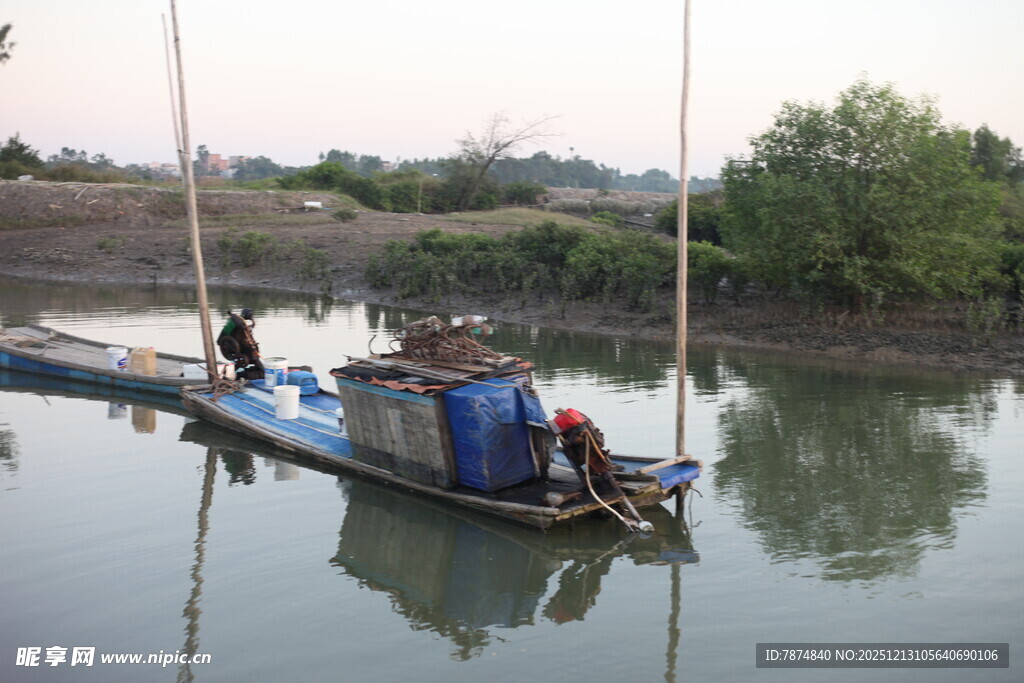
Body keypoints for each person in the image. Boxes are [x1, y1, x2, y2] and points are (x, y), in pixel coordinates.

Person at [217, 308, 263, 379]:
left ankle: (239, 374)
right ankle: (239, 375)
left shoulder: (240, 324)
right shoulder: (240, 325)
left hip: (240, 349)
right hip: (241, 349)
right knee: (259, 368)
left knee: (254, 362)